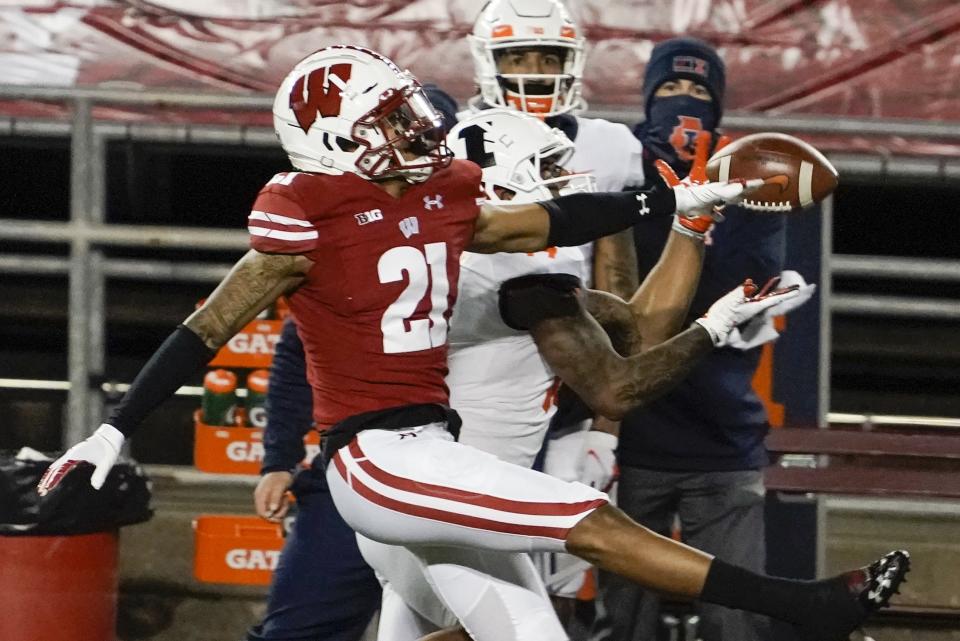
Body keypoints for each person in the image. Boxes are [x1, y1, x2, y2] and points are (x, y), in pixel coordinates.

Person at [38, 45, 906, 641]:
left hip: (440, 459)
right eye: (389, 119)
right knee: (586, 523)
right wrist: (115, 426)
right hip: (382, 462)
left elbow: (549, 216)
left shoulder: (446, 197)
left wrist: (674, 206)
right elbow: (211, 325)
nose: (416, 128)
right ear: (340, 142)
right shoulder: (308, 211)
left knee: (521, 629)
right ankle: (807, 607)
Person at [590, 37, 807, 641]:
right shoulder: (619, 166)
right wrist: (664, 201)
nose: (684, 100)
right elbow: (615, 294)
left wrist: (716, 201)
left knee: (734, 623)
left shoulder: (751, 175)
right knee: (622, 623)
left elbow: (747, 287)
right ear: (647, 96)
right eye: (670, 89)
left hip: (721, 437)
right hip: (626, 434)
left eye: (698, 91)